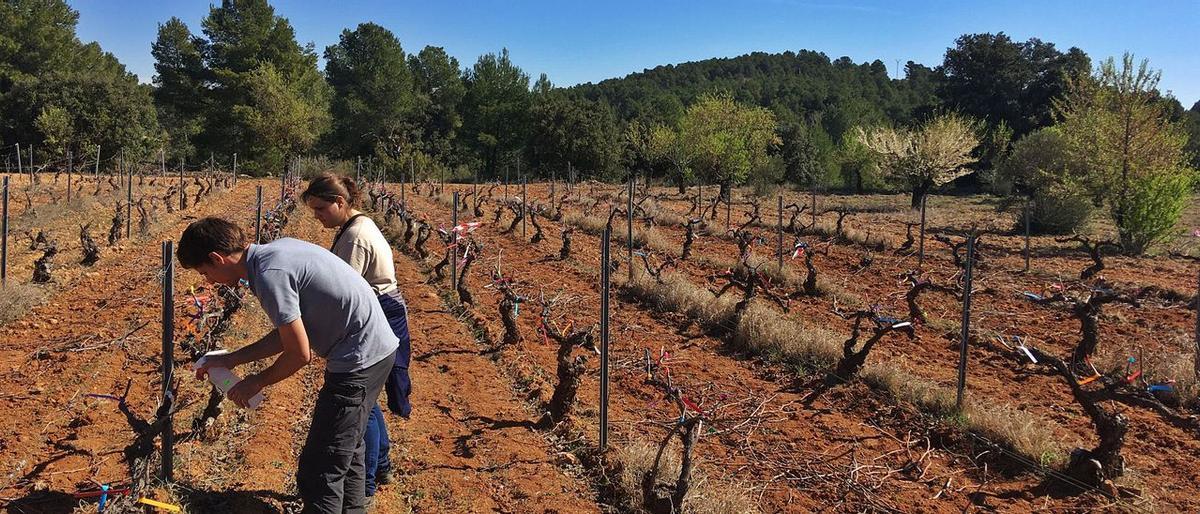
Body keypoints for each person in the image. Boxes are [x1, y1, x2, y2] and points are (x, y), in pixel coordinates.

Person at [180, 217, 397, 513]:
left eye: (206, 273)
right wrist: (232, 359)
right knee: (347, 449)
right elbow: (288, 333)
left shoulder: (271, 275)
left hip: (360, 359)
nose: (208, 282)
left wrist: (256, 381)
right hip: (374, 350)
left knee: (321, 466)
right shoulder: (276, 253)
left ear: (217, 259)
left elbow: (299, 353)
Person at [301, 173, 412, 498]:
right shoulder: (354, 226)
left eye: (321, 209)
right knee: (369, 400)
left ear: (340, 203)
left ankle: (370, 477)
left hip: (379, 314)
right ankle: (381, 465)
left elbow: (341, 292)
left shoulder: (355, 238)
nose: (317, 216)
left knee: (364, 402)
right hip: (380, 310)